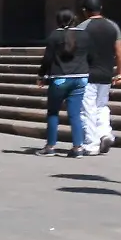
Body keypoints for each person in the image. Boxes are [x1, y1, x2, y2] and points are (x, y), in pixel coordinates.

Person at [35, 9, 89, 156]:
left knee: (53, 113)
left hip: (60, 78)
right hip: (81, 77)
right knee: (75, 114)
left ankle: (50, 146)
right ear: (74, 19)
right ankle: (78, 148)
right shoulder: (84, 35)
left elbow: (47, 58)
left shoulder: (55, 35)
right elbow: (90, 55)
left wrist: (41, 75)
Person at [77, 0, 121, 156]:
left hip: (88, 73)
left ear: (85, 11)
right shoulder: (113, 26)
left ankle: (91, 144)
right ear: (101, 8)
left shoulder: (83, 27)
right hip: (106, 74)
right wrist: (120, 72)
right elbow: (119, 52)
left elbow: (77, 52)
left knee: (87, 110)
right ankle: (105, 133)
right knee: (102, 106)